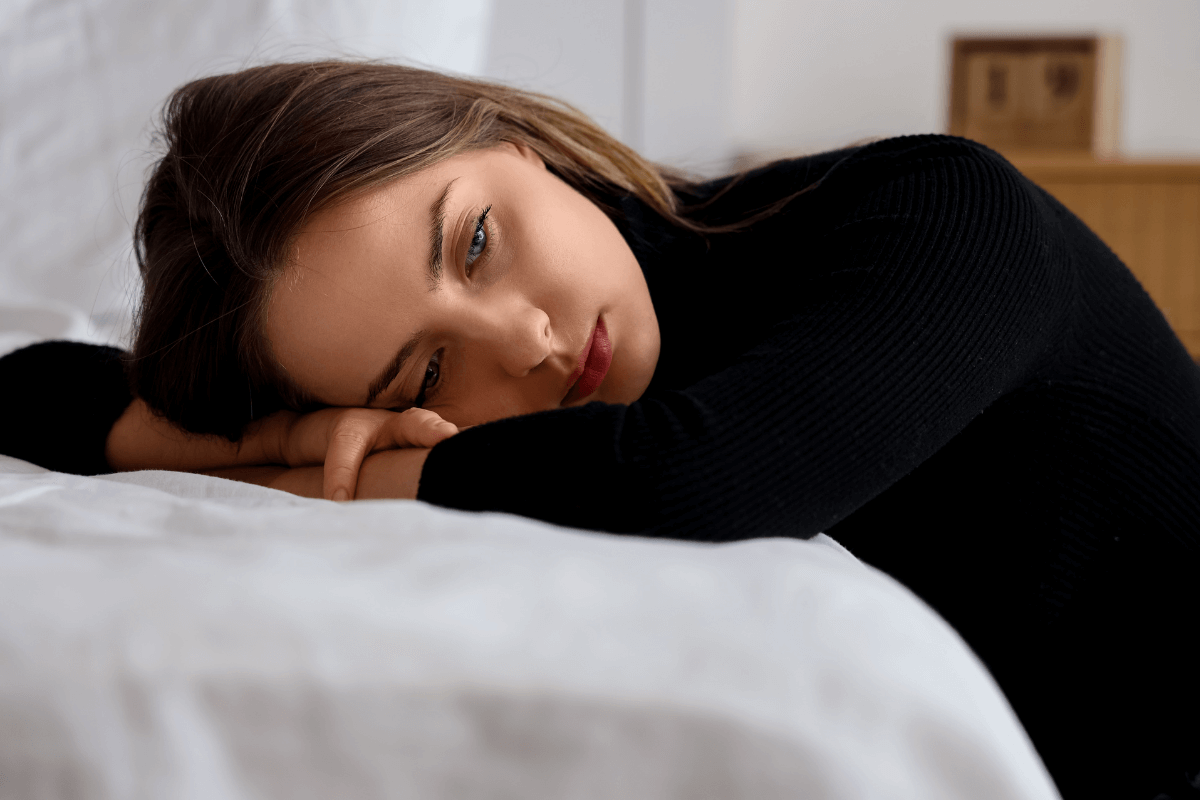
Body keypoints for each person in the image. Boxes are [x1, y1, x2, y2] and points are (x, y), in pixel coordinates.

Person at [2, 61, 1198, 799]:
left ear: (516, 146)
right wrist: (251, 443)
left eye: (474, 240)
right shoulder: (471, 389)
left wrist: (362, 479)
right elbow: (28, 387)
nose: (518, 339)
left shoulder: (940, 213)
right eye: (425, 366)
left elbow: (686, 482)